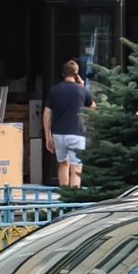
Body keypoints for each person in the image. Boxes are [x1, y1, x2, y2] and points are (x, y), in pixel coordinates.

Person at [43, 59, 93, 189]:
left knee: (63, 164)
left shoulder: (54, 90)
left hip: (58, 134)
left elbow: (47, 114)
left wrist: (48, 136)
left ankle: (63, 195)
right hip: (76, 133)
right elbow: (92, 106)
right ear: (76, 73)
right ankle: (73, 197)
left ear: (63, 73)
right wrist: (82, 86)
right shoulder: (81, 90)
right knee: (76, 167)